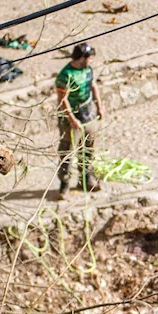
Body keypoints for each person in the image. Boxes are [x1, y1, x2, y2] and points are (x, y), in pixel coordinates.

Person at [55, 42, 105, 197]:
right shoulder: (66, 75)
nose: (91, 61)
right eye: (89, 58)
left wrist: (99, 106)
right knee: (67, 152)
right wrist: (71, 118)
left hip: (88, 114)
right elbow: (62, 99)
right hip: (71, 119)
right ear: (82, 58)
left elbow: (93, 86)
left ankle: (86, 177)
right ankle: (65, 182)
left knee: (88, 148)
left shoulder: (88, 69)